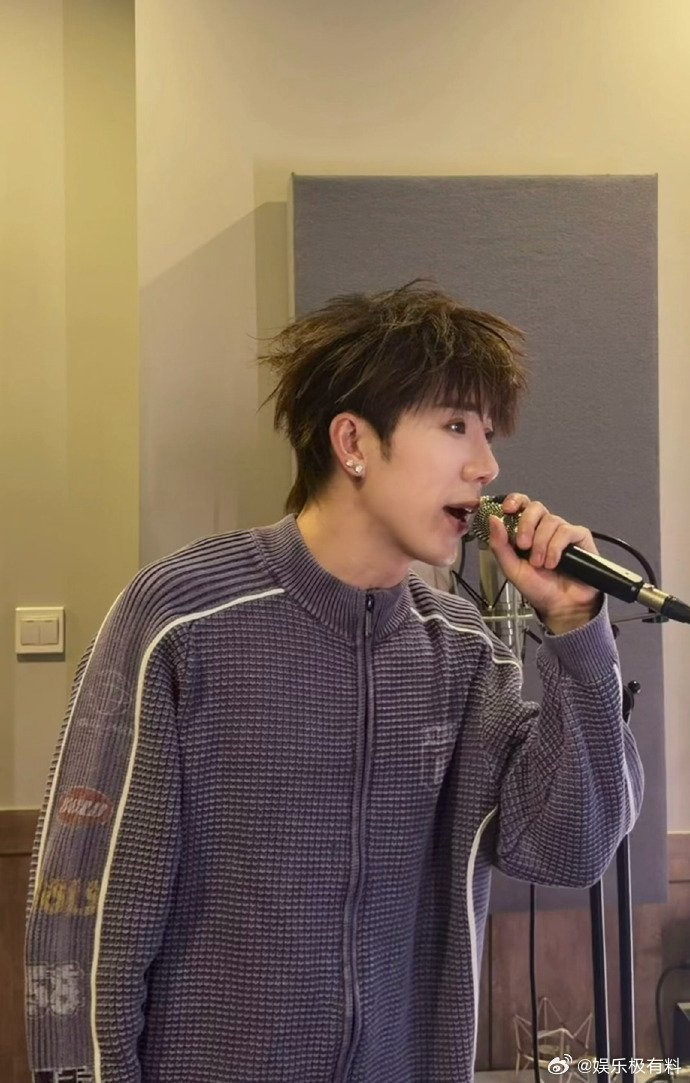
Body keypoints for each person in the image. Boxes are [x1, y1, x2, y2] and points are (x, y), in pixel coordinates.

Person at [25, 279, 643, 1083]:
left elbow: (573, 847)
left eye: (488, 433)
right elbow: (84, 914)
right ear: (353, 440)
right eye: (455, 424)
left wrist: (575, 626)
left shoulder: (463, 652)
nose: (487, 465)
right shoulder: (179, 619)